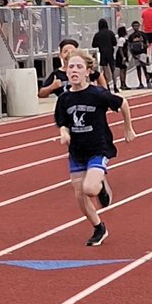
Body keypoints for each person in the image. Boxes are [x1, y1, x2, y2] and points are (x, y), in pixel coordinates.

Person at [55, 51, 136, 246]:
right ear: (66, 70)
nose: (74, 70)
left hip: (98, 148)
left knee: (90, 188)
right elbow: (63, 122)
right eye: (71, 67)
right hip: (76, 151)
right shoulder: (64, 99)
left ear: (88, 71)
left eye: (79, 67)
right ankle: (99, 228)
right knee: (79, 195)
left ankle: (101, 187)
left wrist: (128, 128)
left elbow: (123, 103)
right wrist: (64, 133)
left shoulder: (97, 94)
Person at [39, 38, 105, 98]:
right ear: (60, 55)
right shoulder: (57, 74)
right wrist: (52, 87)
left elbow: (98, 76)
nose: (69, 54)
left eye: (72, 51)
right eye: (65, 51)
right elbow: (41, 93)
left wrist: (103, 90)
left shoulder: (84, 70)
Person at [92, 18, 119, 93]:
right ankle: (115, 85)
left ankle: (107, 85)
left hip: (102, 53)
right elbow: (115, 43)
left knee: (105, 70)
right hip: (110, 53)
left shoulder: (98, 34)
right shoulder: (110, 33)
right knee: (113, 70)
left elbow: (93, 44)